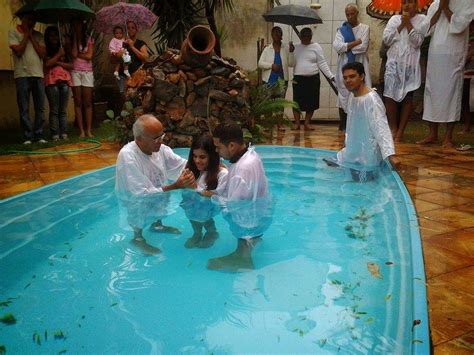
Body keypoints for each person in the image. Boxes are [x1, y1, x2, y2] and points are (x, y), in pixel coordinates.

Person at [115, 114, 195, 255]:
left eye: (162, 136)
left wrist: (209, 165)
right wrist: (176, 185)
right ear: (139, 139)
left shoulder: (161, 149)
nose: (160, 141)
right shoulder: (128, 156)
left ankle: (157, 226)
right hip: (135, 196)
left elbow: (182, 164)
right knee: (139, 208)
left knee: (159, 201)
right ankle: (137, 238)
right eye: (156, 138)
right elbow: (140, 193)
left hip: (157, 189)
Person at [208, 122, 271, 272]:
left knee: (239, 217)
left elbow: (235, 206)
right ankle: (250, 244)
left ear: (231, 146)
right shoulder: (250, 154)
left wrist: (212, 197)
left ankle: (243, 258)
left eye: (218, 147)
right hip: (261, 214)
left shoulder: (243, 168)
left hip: (249, 220)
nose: (216, 151)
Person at [325, 62, 399, 180]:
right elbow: (351, 124)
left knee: (360, 181)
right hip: (353, 150)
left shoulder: (372, 100)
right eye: (345, 78)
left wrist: (390, 154)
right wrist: (347, 143)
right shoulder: (352, 96)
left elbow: (381, 127)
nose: (348, 80)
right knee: (329, 166)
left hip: (367, 154)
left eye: (352, 76)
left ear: (362, 76)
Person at [418, 0, 474, 148]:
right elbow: (426, 29)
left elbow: (460, 26)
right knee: (432, 91)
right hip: (435, 52)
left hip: (454, 54)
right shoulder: (436, 3)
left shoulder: (468, 2)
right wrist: (440, 8)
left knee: (452, 93)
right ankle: (432, 134)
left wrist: (446, 8)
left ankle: (448, 137)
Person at [383, 0, 429, 142]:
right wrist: (401, 23)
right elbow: (386, 40)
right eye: (404, 2)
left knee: (407, 98)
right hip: (393, 63)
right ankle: (393, 128)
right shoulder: (393, 19)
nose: (406, 5)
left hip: (410, 65)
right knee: (389, 96)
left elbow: (417, 42)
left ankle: (401, 131)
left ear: (416, 5)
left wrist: (408, 24)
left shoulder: (423, 20)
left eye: (410, 2)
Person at [181, 134, 228, 249]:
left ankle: (212, 232)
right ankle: (197, 233)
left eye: (202, 157)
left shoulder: (222, 174)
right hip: (194, 206)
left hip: (209, 207)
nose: (197, 161)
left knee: (205, 217)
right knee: (192, 215)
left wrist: (196, 189)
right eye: (194, 156)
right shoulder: (193, 171)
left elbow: (223, 198)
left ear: (212, 157)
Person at [333, 3, 371, 135]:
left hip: (360, 64)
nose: (349, 16)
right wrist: (355, 42)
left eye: (352, 13)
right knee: (343, 95)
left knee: (360, 93)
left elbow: (363, 47)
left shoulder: (365, 28)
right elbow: (337, 47)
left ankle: (359, 126)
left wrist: (347, 46)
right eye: (347, 14)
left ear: (357, 13)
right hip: (344, 66)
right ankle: (344, 125)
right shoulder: (341, 30)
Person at [8, 12, 47, 144]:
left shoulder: (39, 35)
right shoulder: (13, 32)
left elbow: (42, 53)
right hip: (22, 75)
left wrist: (31, 37)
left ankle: (39, 134)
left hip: (38, 74)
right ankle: (27, 136)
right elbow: (18, 51)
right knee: (24, 107)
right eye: (29, 19)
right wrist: (26, 36)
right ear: (22, 19)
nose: (31, 22)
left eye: (33, 19)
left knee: (40, 107)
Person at [290, 27, 335, 131]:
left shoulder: (316, 47)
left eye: (307, 36)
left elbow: (322, 62)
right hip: (298, 78)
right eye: (303, 36)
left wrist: (330, 76)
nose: (305, 38)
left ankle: (307, 122)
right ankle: (297, 123)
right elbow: (290, 63)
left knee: (311, 101)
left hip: (313, 79)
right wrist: (291, 52)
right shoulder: (295, 47)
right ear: (300, 37)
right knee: (296, 101)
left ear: (311, 37)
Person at [258, 26, 294, 130]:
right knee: (268, 104)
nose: (277, 36)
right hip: (268, 81)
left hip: (281, 81)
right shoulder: (267, 49)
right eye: (275, 34)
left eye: (279, 33)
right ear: (272, 35)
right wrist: (271, 65)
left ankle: (279, 124)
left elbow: (291, 64)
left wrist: (291, 52)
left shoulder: (286, 48)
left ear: (281, 35)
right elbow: (260, 63)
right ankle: (268, 125)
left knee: (280, 104)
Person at [44, 26, 73, 141]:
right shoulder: (46, 49)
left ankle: (64, 133)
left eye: (56, 35)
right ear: (47, 37)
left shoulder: (63, 49)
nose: (54, 38)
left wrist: (59, 61)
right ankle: (55, 134)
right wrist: (58, 56)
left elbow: (70, 65)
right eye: (51, 35)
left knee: (63, 110)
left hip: (64, 82)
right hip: (52, 83)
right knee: (54, 110)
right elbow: (47, 64)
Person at [71, 19, 94, 138]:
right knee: (78, 102)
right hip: (75, 71)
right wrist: (75, 37)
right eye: (75, 24)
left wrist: (79, 55)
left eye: (79, 24)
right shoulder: (70, 39)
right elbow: (73, 53)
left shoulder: (89, 38)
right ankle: (81, 131)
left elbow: (90, 55)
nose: (77, 26)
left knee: (88, 102)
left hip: (87, 72)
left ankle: (89, 130)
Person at [115, 20, 149, 94]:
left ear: (136, 30)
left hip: (136, 76)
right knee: (123, 98)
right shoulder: (121, 43)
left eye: (133, 28)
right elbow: (112, 60)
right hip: (122, 76)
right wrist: (117, 55)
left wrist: (132, 47)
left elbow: (146, 58)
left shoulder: (141, 43)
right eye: (128, 28)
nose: (130, 30)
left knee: (134, 99)